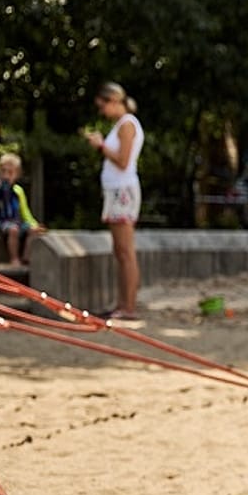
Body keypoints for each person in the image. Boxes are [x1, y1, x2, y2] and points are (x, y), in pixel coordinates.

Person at [85, 82, 144, 322]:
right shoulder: (121, 125)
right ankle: (122, 304)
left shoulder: (127, 124)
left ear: (113, 101)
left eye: (103, 106)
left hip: (122, 191)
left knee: (125, 251)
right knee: (120, 250)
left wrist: (101, 146)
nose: (102, 112)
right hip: (115, 191)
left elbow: (123, 160)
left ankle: (128, 306)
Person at [0, 153, 42, 266]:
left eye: (10, 172)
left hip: (16, 221)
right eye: (4, 172)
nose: (6, 176)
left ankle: (26, 257)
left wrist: (34, 224)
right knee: (13, 230)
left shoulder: (18, 191)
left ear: (17, 174)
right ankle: (14, 258)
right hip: (1, 222)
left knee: (33, 230)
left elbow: (25, 211)